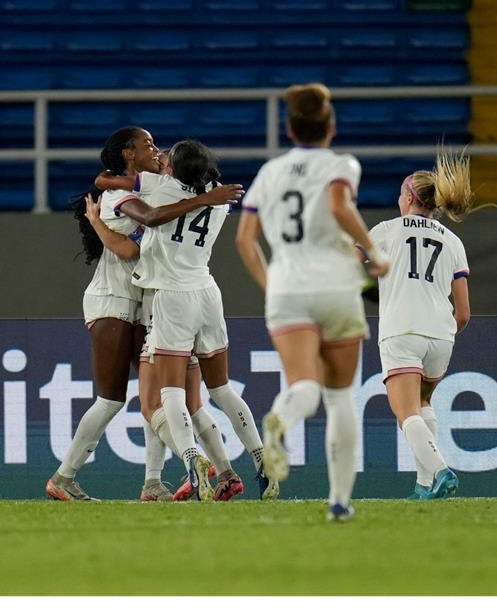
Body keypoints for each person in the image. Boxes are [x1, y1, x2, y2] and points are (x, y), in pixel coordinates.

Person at [44, 126, 241, 502]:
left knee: (159, 398)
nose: (155, 149)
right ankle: (64, 476)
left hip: (149, 303)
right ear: (127, 154)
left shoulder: (147, 188)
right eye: (146, 145)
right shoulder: (117, 195)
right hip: (114, 299)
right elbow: (132, 250)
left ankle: (153, 482)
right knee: (112, 398)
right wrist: (99, 224)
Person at [235, 83, 389, 522]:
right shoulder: (341, 165)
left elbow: (245, 241)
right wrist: (373, 252)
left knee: (303, 384)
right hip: (336, 285)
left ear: (289, 128)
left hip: (287, 288)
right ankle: (339, 503)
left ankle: (281, 417)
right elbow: (339, 205)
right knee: (340, 398)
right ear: (331, 127)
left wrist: (273, 287)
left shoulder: (269, 173)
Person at [113, 140, 279, 502]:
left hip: (172, 297)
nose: (161, 157)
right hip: (207, 292)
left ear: (172, 169)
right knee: (221, 388)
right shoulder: (217, 197)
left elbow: (113, 184)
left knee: (171, 392)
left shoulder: (162, 188)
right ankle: (261, 457)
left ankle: (192, 460)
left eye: (166, 157)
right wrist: (206, 194)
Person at [368, 149, 483, 499]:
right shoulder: (453, 241)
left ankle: (441, 470)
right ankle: (422, 485)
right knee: (423, 406)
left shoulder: (386, 231)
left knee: (406, 414)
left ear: (407, 197)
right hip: (441, 336)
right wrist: (444, 332)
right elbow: (463, 312)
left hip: (401, 332)